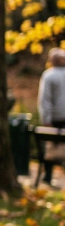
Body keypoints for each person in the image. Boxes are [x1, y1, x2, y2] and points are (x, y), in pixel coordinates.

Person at [39, 48, 65, 184]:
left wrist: (46, 119)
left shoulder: (49, 75)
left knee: (51, 148)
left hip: (55, 118)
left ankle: (48, 176)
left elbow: (45, 100)